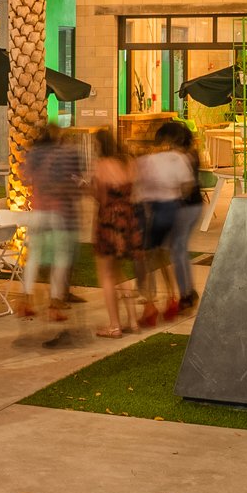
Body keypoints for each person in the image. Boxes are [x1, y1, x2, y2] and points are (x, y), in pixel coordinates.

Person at [16, 124, 83, 322]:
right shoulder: (64, 154)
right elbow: (72, 181)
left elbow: (24, 178)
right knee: (60, 259)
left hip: (38, 210)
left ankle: (25, 300)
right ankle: (54, 303)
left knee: (34, 257)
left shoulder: (34, 154)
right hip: (57, 211)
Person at [139, 119, 204, 323]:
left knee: (175, 249)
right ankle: (180, 294)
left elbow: (185, 186)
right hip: (186, 207)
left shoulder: (182, 157)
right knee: (173, 249)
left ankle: (185, 295)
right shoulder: (186, 155)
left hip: (185, 207)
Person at [88, 128, 140, 337]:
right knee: (119, 272)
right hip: (127, 218)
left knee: (106, 275)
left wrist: (88, 188)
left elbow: (102, 197)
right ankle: (133, 321)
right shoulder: (128, 161)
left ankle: (114, 325)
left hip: (109, 220)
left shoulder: (102, 165)